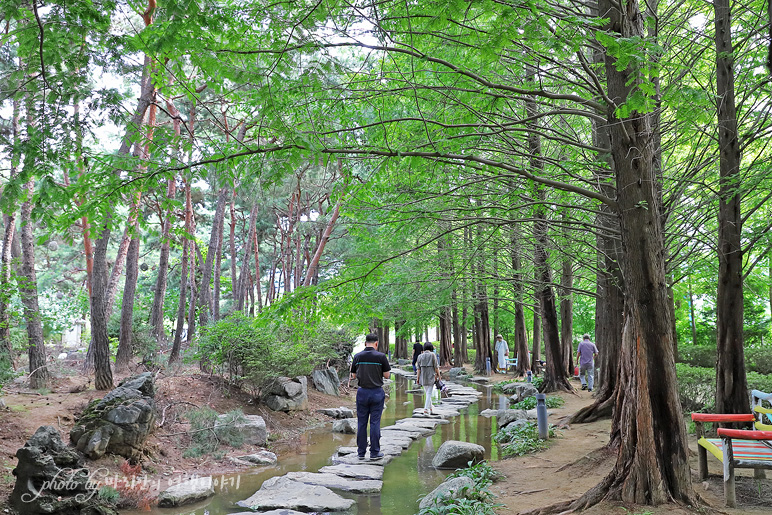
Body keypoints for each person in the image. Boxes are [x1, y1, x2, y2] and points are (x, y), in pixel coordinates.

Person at [350, 333, 391, 460]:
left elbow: (353, 376)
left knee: (361, 422)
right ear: (376, 343)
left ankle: (361, 452)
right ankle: (374, 452)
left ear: (365, 343)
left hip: (362, 393)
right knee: (374, 423)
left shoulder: (357, 356)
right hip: (377, 393)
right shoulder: (381, 357)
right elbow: (387, 375)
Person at [416, 342, 440, 415]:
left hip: (423, 376)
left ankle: (431, 408)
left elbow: (418, 369)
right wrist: (439, 375)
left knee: (427, 393)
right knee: (429, 393)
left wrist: (417, 378)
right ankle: (426, 409)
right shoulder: (433, 355)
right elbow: (436, 367)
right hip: (431, 375)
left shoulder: (419, 356)